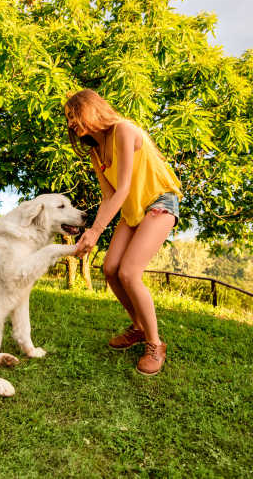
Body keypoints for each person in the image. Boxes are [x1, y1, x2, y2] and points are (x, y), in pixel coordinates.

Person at [65, 89, 183, 376]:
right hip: (132, 212)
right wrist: (92, 233)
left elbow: (126, 186)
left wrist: (95, 231)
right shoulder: (95, 151)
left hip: (159, 202)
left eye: (74, 115)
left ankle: (155, 345)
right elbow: (110, 196)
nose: (70, 124)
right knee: (110, 268)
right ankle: (139, 328)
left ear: (91, 109)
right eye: (67, 119)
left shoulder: (124, 129)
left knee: (129, 272)